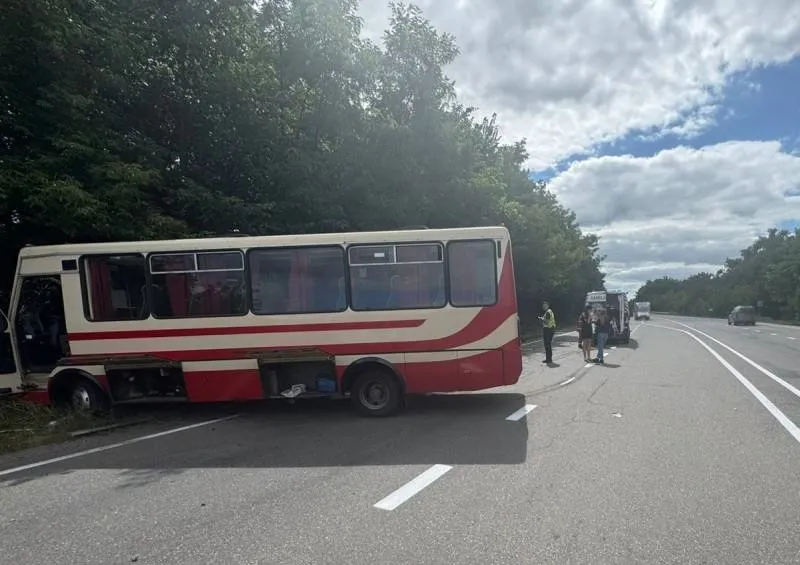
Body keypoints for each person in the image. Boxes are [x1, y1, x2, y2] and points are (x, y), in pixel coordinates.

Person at [538, 300, 556, 364]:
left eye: (545, 306)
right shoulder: (549, 312)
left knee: (547, 345)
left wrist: (541, 319)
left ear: (548, 306)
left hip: (548, 329)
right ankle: (548, 358)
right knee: (548, 344)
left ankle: (549, 359)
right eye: (543, 306)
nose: (544, 307)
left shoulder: (548, 312)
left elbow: (547, 321)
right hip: (551, 329)